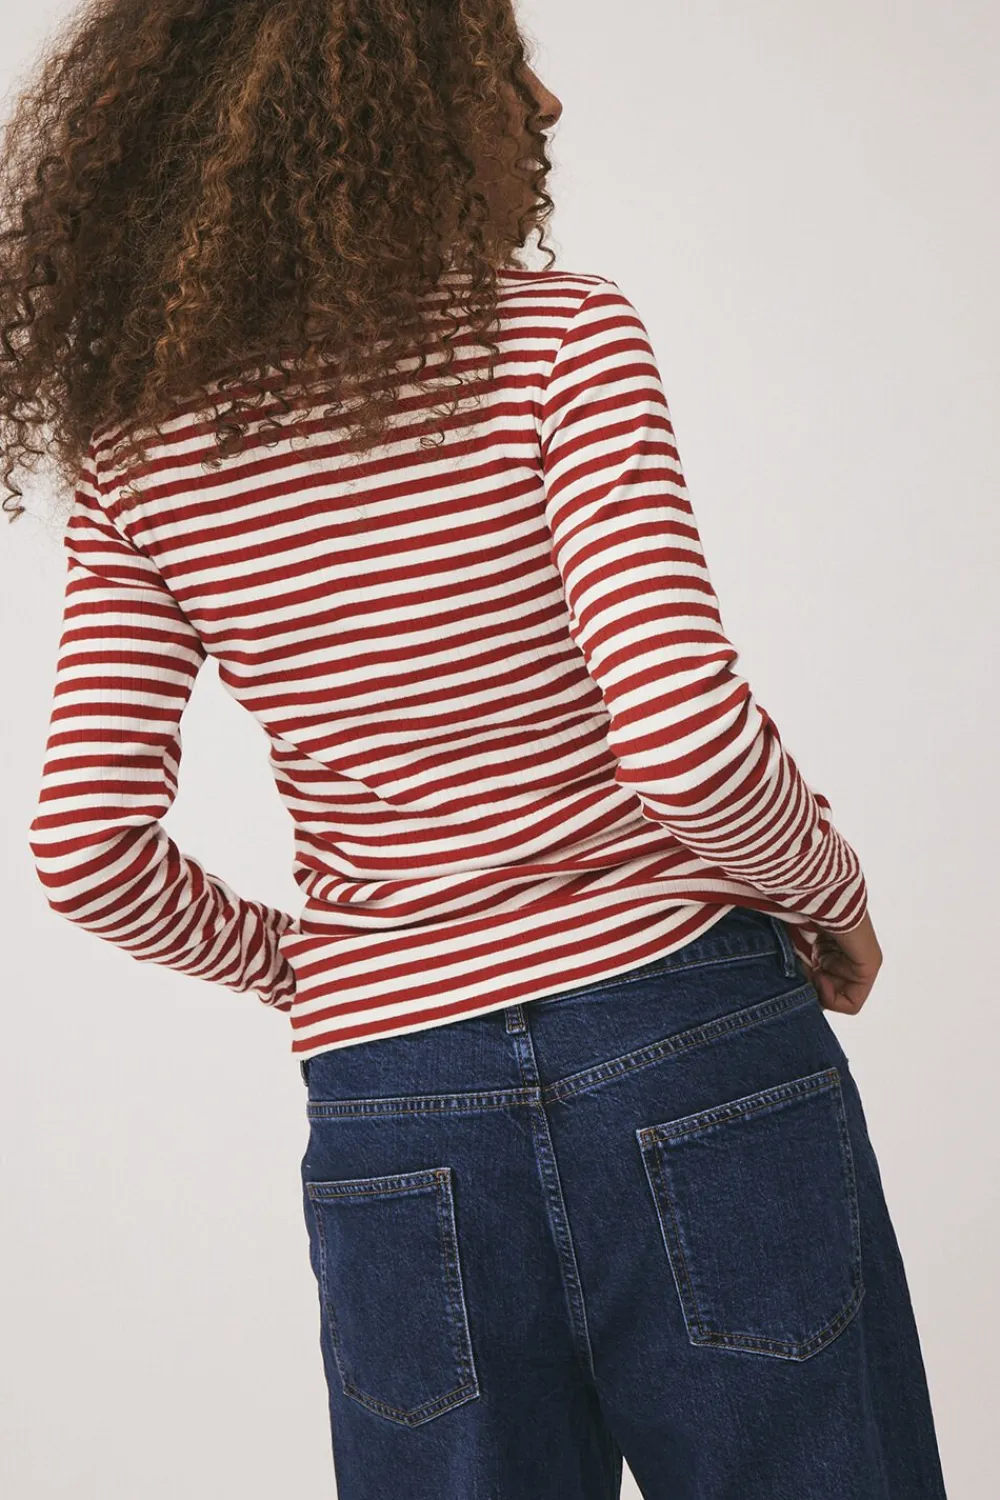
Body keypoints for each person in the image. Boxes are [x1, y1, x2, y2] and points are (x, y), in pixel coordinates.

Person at [5, 2, 946, 1495]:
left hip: (393, 1108)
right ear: (392, 102)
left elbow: (84, 851)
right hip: (688, 1040)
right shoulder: (562, 340)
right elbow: (685, 740)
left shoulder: (141, 454)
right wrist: (830, 890)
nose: (546, 102)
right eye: (500, 60)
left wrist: (318, 966)